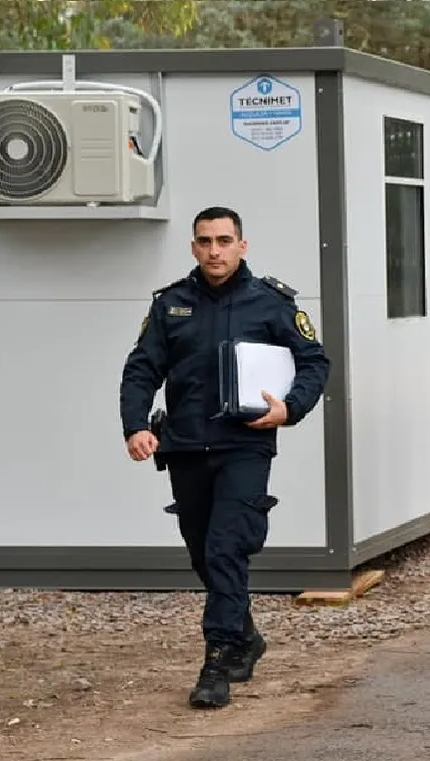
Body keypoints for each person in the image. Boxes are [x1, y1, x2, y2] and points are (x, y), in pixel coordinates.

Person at [120, 206, 331, 709]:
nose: (215, 250)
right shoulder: (171, 305)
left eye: (224, 240)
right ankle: (246, 636)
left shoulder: (272, 303)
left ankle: (216, 661)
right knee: (202, 553)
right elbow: (140, 369)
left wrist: (290, 408)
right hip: (186, 447)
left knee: (226, 549)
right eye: (205, 241)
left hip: (245, 444)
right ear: (193, 247)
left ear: (243, 245)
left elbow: (314, 362)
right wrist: (134, 426)